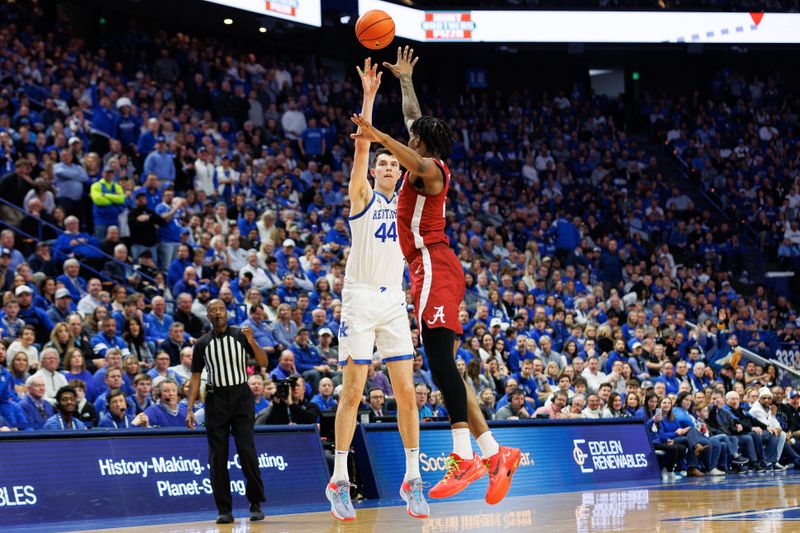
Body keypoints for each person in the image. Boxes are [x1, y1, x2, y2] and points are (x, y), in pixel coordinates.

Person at [352, 47, 520, 503]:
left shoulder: (431, 171)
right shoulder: (421, 153)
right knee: (447, 368)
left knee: (442, 363)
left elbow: (410, 147)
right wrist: (405, 81)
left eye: (415, 139)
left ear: (424, 146)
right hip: (429, 269)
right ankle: (494, 454)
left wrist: (376, 134)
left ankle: (463, 456)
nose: (412, 138)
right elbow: (415, 118)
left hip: (433, 264)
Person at [327, 58, 428, 522]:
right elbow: (363, 147)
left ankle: (412, 479)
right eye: (382, 162)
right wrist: (369, 95)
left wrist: (406, 84)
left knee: (408, 393)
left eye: (393, 163)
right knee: (353, 392)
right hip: (360, 297)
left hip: (394, 300)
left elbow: (416, 147)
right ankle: (340, 480)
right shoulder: (362, 196)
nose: (388, 165)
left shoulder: (408, 199)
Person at [186, 299, 267, 524]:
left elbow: (263, 361)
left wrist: (252, 341)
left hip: (241, 396)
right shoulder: (202, 343)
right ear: (209, 316)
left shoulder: (241, 335)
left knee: (246, 451)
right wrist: (190, 408)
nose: (217, 313)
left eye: (220, 309)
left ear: (226, 313)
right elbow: (194, 378)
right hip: (215, 400)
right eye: (212, 310)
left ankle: (255, 502)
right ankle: (224, 509)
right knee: (217, 456)